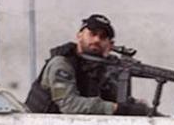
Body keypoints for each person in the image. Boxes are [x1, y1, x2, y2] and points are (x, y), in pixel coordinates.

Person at [24, 13, 152, 116]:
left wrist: (141, 109)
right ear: (79, 35)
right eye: (92, 34)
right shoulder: (62, 63)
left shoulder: (103, 69)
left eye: (103, 37)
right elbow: (70, 105)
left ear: (110, 44)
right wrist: (118, 109)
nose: (97, 40)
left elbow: (115, 100)